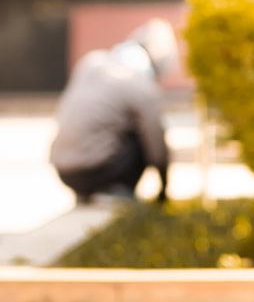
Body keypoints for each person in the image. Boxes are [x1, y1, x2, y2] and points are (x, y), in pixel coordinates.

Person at [50, 18, 179, 205]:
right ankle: (115, 191)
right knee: (143, 131)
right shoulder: (140, 82)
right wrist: (164, 189)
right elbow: (157, 146)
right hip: (100, 171)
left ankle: (87, 193)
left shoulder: (90, 63)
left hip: (64, 171)